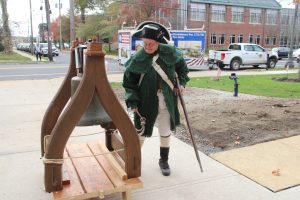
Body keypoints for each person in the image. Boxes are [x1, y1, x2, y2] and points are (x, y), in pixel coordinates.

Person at [122, 22, 189, 176]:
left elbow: (182, 70)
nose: (147, 47)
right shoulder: (138, 58)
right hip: (145, 101)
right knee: (140, 132)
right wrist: (133, 101)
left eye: (151, 44)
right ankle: (133, 159)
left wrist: (182, 83)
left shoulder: (171, 53)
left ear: (159, 42)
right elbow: (129, 83)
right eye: (145, 43)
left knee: (165, 130)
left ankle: (164, 160)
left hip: (168, 99)